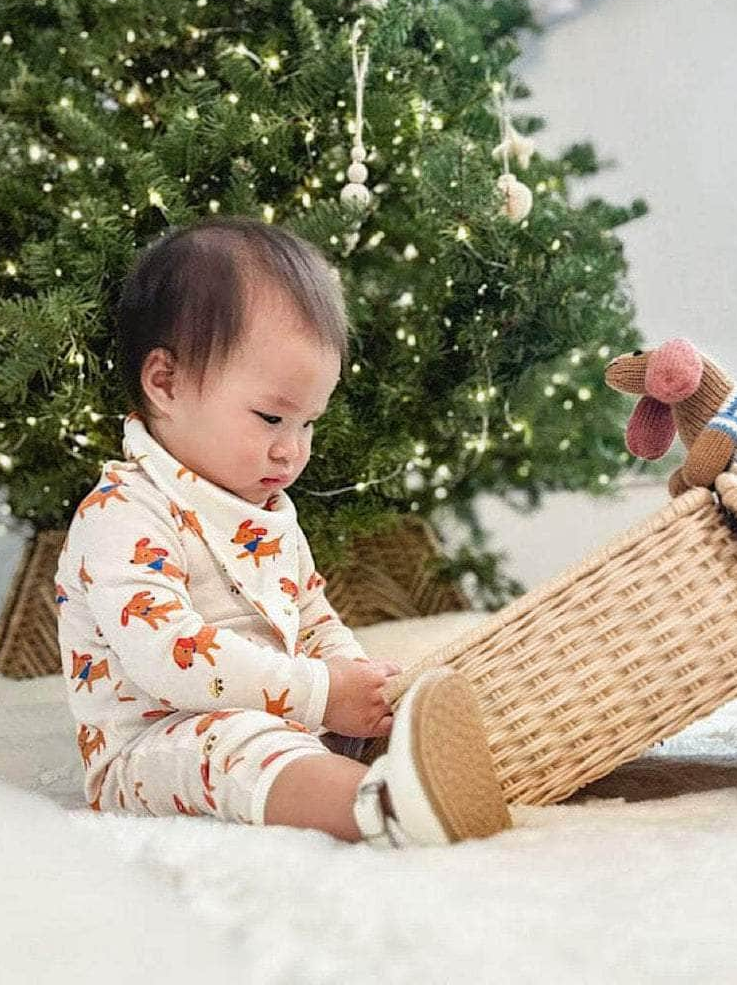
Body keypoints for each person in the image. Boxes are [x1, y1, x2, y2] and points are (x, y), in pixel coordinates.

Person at [54, 215, 512, 848]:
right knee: (238, 747)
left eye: (308, 424)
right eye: (272, 417)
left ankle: (459, 766)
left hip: (286, 712)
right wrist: (322, 693)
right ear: (166, 383)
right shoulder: (122, 514)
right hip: (160, 743)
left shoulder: (264, 507)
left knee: (390, 709)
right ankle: (381, 806)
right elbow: (169, 657)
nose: (291, 452)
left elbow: (312, 614)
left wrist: (359, 681)